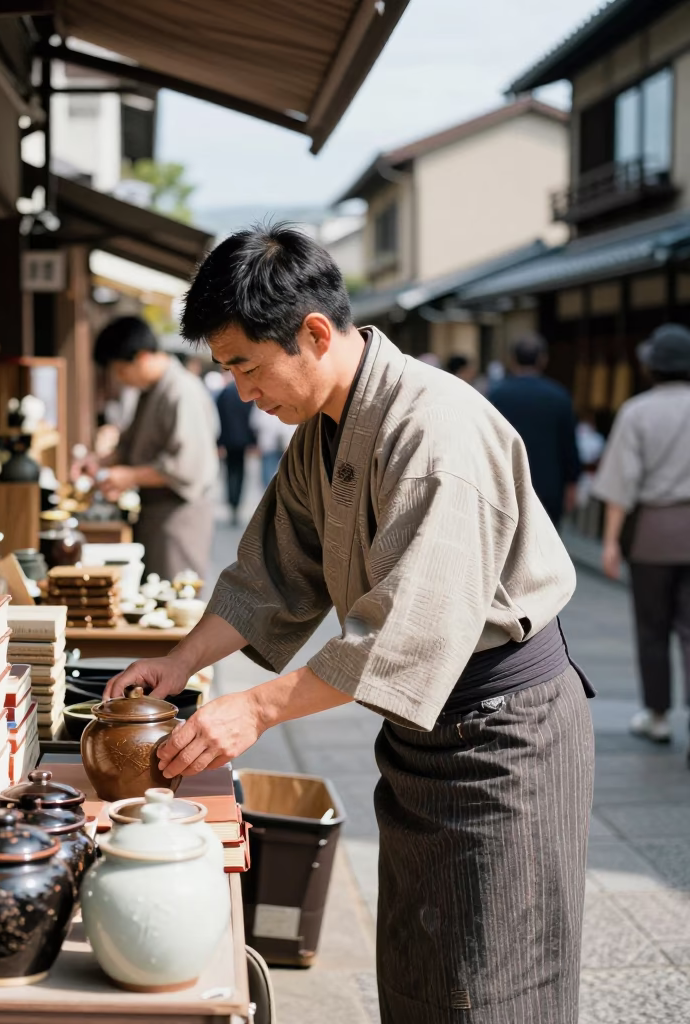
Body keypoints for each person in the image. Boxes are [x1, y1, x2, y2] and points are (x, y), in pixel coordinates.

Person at [106, 226, 593, 1023]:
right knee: (423, 968)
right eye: (227, 368)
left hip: (502, 733)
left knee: (492, 983)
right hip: (425, 732)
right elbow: (272, 572)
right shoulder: (325, 430)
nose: (239, 391)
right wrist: (182, 661)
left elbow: (406, 637)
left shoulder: (437, 433)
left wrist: (256, 708)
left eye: (245, 365)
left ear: (315, 333)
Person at [592, 323, 690, 747]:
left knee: (652, 627)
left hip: (653, 534)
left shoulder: (637, 411)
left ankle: (658, 715)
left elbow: (620, 485)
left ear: (652, 367)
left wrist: (612, 542)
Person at [82, 316, 219, 581]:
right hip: (157, 511)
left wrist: (129, 476)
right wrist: (100, 462)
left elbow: (187, 466)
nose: (120, 379)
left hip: (179, 515)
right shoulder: (151, 391)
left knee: (175, 600)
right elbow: (131, 446)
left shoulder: (180, 391)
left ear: (142, 356)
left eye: (121, 370)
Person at [488, 334, 580, 526]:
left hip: (505, 484)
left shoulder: (496, 395)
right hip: (549, 487)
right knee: (546, 547)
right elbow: (568, 446)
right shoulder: (559, 396)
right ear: (543, 359)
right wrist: (572, 484)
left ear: (512, 359)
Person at [215, 375, 256, 525]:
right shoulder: (245, 395)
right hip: (243, 440)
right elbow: (251, 419)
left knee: (230, 472)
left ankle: (232, 502)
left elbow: (218, 418)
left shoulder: (224, 393)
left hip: (228, 440)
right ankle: (236, 502)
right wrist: (253, 441)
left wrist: (218, 442)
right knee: (240, 472)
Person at [251, 400, 296, 486]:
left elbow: (255, 423)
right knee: (271, 474)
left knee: (275, 473)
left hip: (278, 445)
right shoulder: (263, 404)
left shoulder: (263, 403)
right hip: (271, 446)